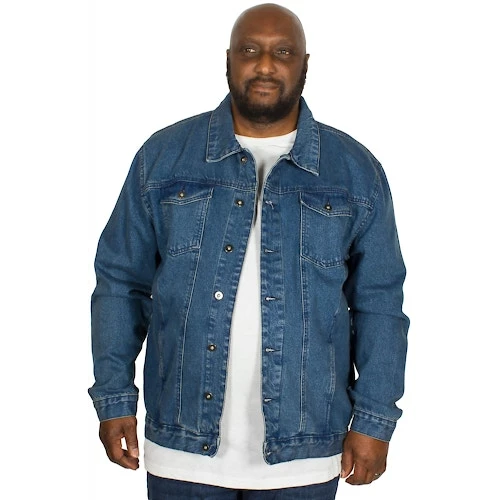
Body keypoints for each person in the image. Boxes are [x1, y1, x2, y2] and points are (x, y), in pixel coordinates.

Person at [89, 3, 409, 499]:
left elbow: (380, 304)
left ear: (305, 64)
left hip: (304, 455)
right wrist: (114, 397)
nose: (265, 65)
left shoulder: (353, 171)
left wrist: (375, 418)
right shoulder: (165, 157)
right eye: (250, 50)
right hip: (182, 449)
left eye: (283, 52)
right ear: (228, 60)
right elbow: (119, 282)